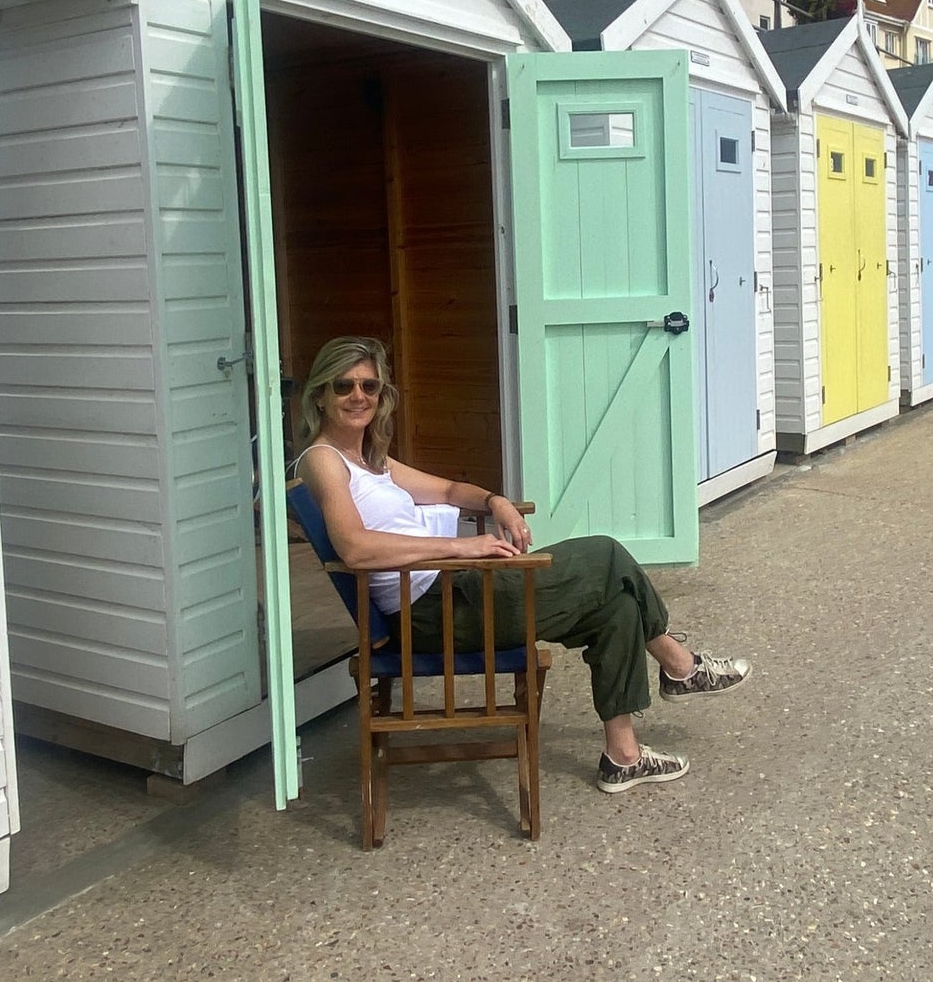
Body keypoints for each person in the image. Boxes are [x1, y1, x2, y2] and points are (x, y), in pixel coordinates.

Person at [295, 335, 752, 794]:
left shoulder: (372, 462)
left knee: (617, 606)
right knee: (606, 554)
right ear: (320, 394)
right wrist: (462, 549)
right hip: (433, 613)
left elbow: (453, 492)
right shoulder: (323, 461)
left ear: (382, 395)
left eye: (369, 386)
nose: (358, 397)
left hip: (456, 593)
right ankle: (680, 664)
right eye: (343, 386)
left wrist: (497, 502)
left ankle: (624, 756)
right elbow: (355, 548)